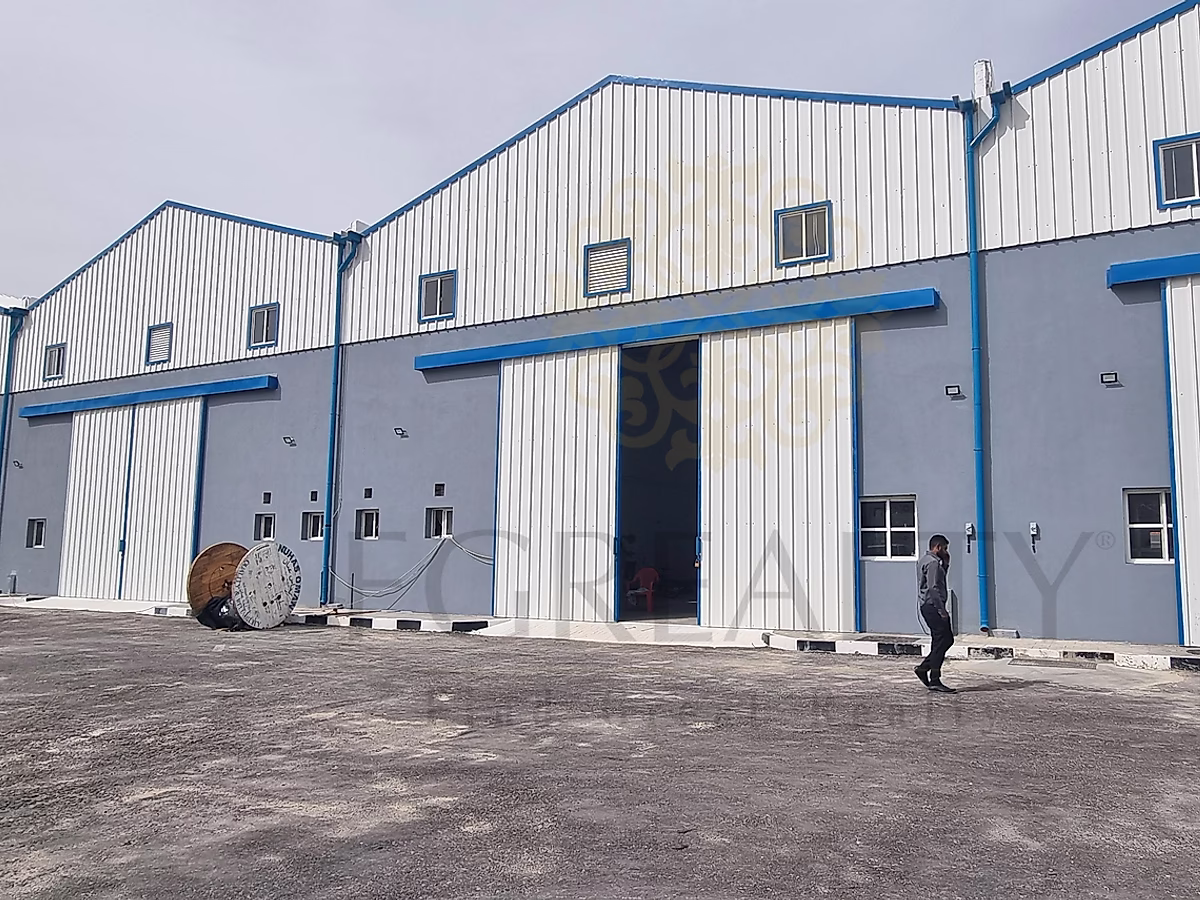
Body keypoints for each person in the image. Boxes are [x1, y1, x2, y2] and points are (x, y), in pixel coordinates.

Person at [915, 534, 956, 693]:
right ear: (937, 547)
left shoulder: (925, 560)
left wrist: (946, 564)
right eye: (944, 548)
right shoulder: (932, 563)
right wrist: (941, 609)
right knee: (945, 640)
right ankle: (933, 678)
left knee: (940, 641)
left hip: (928, 606)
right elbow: (933, 587)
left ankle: (926, 670)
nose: (946, 551)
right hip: (933, 606)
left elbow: (938, 579)